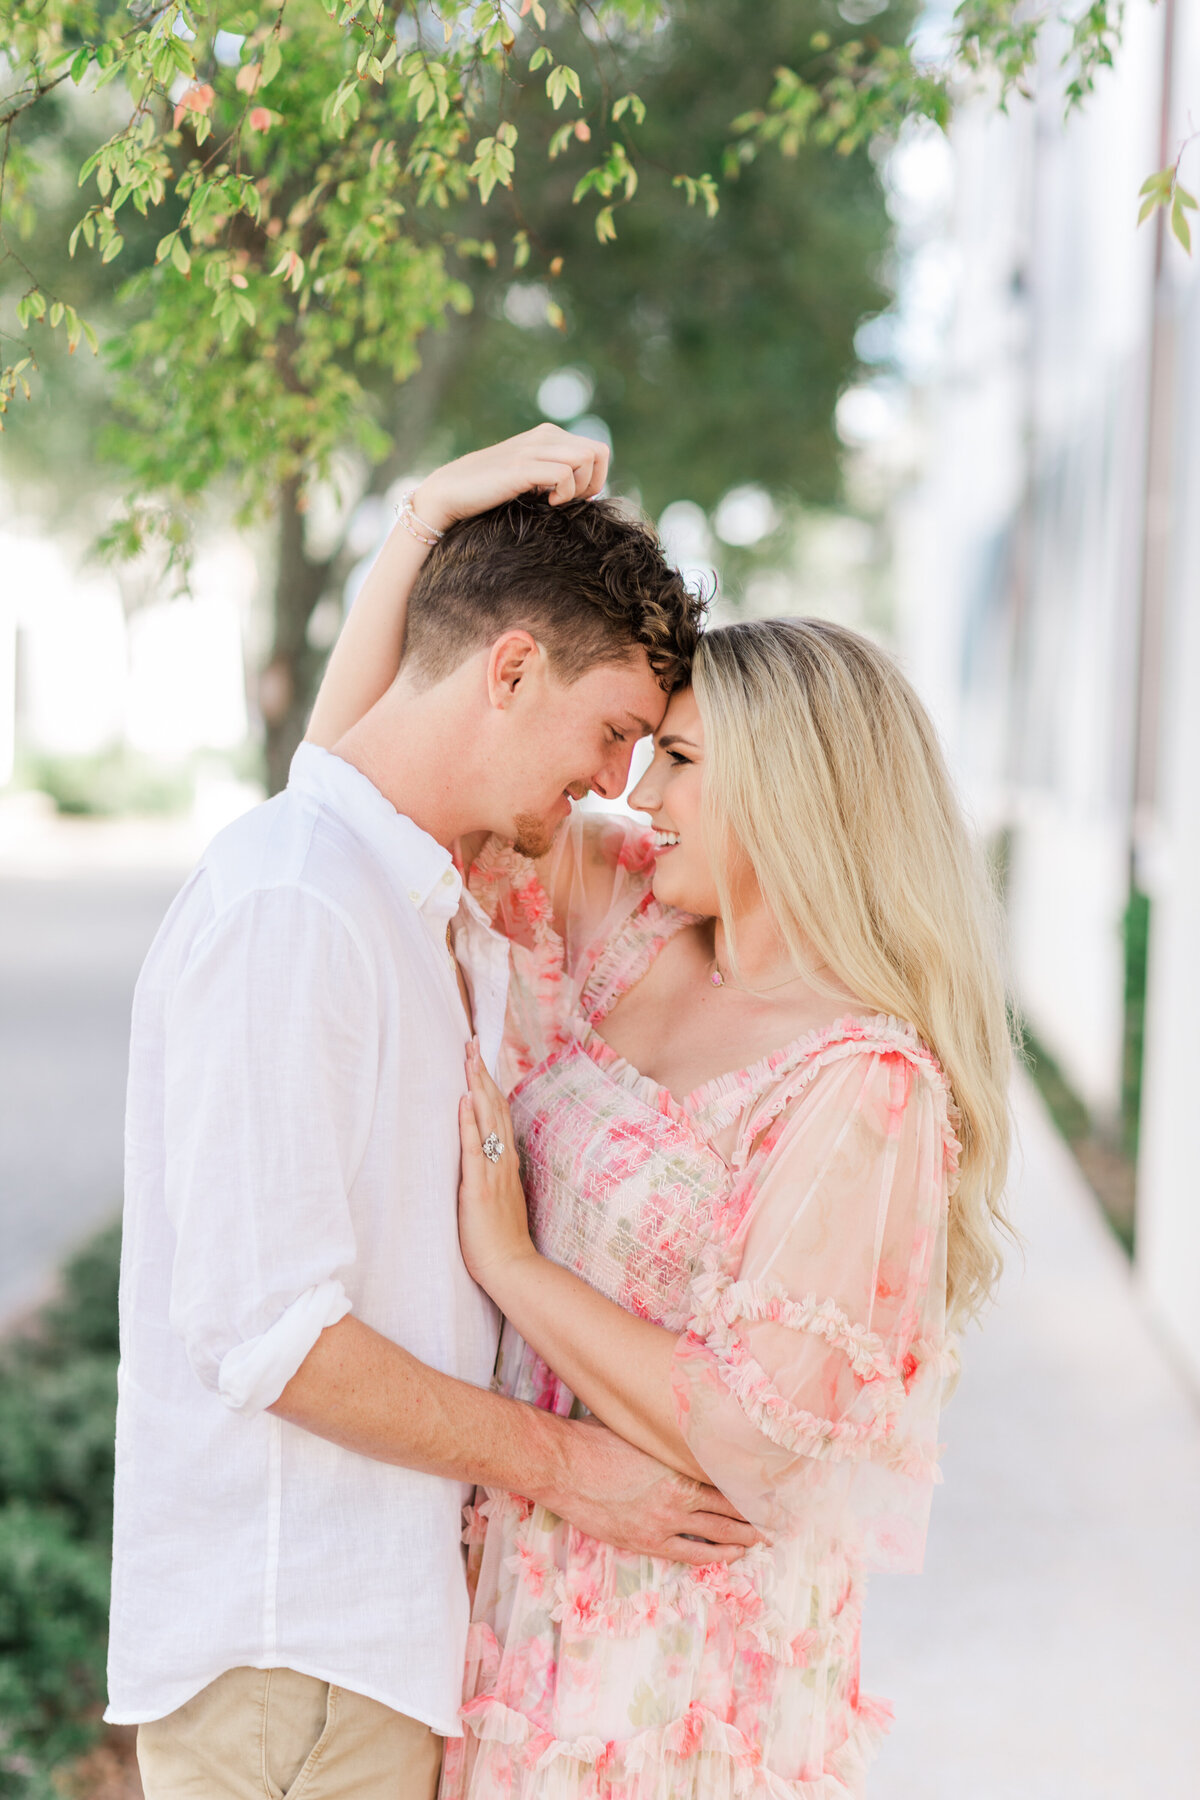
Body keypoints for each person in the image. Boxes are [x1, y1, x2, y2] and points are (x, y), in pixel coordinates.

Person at [308, 465, 1013, 1796]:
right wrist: (420, 521)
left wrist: (518, 1268)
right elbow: (365, 784)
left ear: (791, 792)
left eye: (680, 761)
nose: (639, 796)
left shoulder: (861, 1084)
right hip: (523, 1586)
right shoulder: (633, 929)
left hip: (677, 1662)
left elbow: (756, 1438)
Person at [106, 427, 758, 1800]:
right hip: (290, 1661)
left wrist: (420, 524)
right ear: (511, 668)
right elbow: (266, 1333)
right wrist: (572, 1470)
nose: (615, 785)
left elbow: (344, 770)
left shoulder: (410, 894)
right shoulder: (294, 911)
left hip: (360, 1654)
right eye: (615, 736)